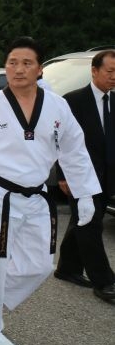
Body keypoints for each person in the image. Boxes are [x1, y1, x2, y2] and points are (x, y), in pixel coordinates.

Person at [0, 37, 99, 345]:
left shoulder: (57, 106)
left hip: (36, 197)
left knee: (40, 265)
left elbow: (74, 151)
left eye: (26, 63)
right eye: (12, 62)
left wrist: (85, 194)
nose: (18, 69)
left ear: (39, 70)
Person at [54, 50, 115, 302]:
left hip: (107, 177)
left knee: (84, 220)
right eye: (110, 71)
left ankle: (67, 267)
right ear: (94, 70)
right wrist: (62, 175)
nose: (114, 77)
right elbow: (59, 141)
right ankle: (105, 281)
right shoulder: (74, 101)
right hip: (79, 175)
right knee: (90, 225)